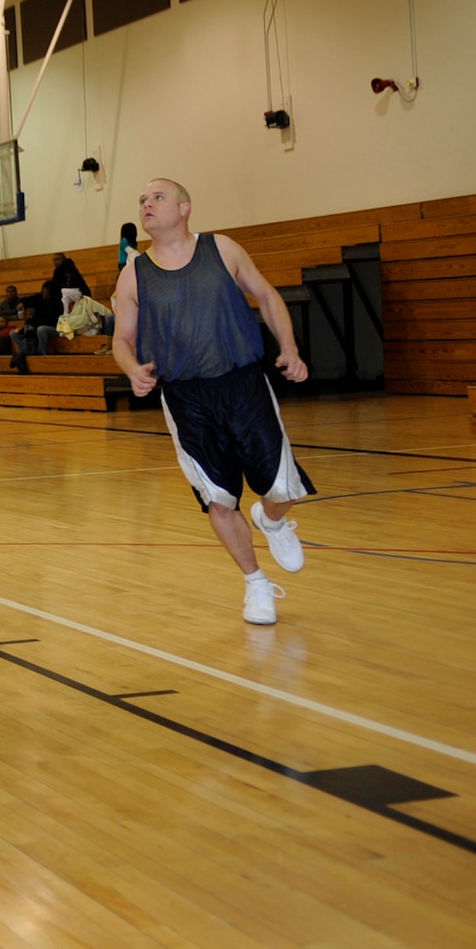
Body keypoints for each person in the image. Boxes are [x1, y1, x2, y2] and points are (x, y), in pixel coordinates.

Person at [111, 178, 312, 624]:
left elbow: (266, 295)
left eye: (157, 197)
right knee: (219, 498)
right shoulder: (133, 274)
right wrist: (131, 369)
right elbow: (121, 339)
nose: (147, 205)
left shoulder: (222, 249)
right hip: (186, 397)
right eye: (142, 200)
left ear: (184, 208)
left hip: (244, 383)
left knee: (282, 488)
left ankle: (273, 520)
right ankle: (256, 583)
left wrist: (290, 349)